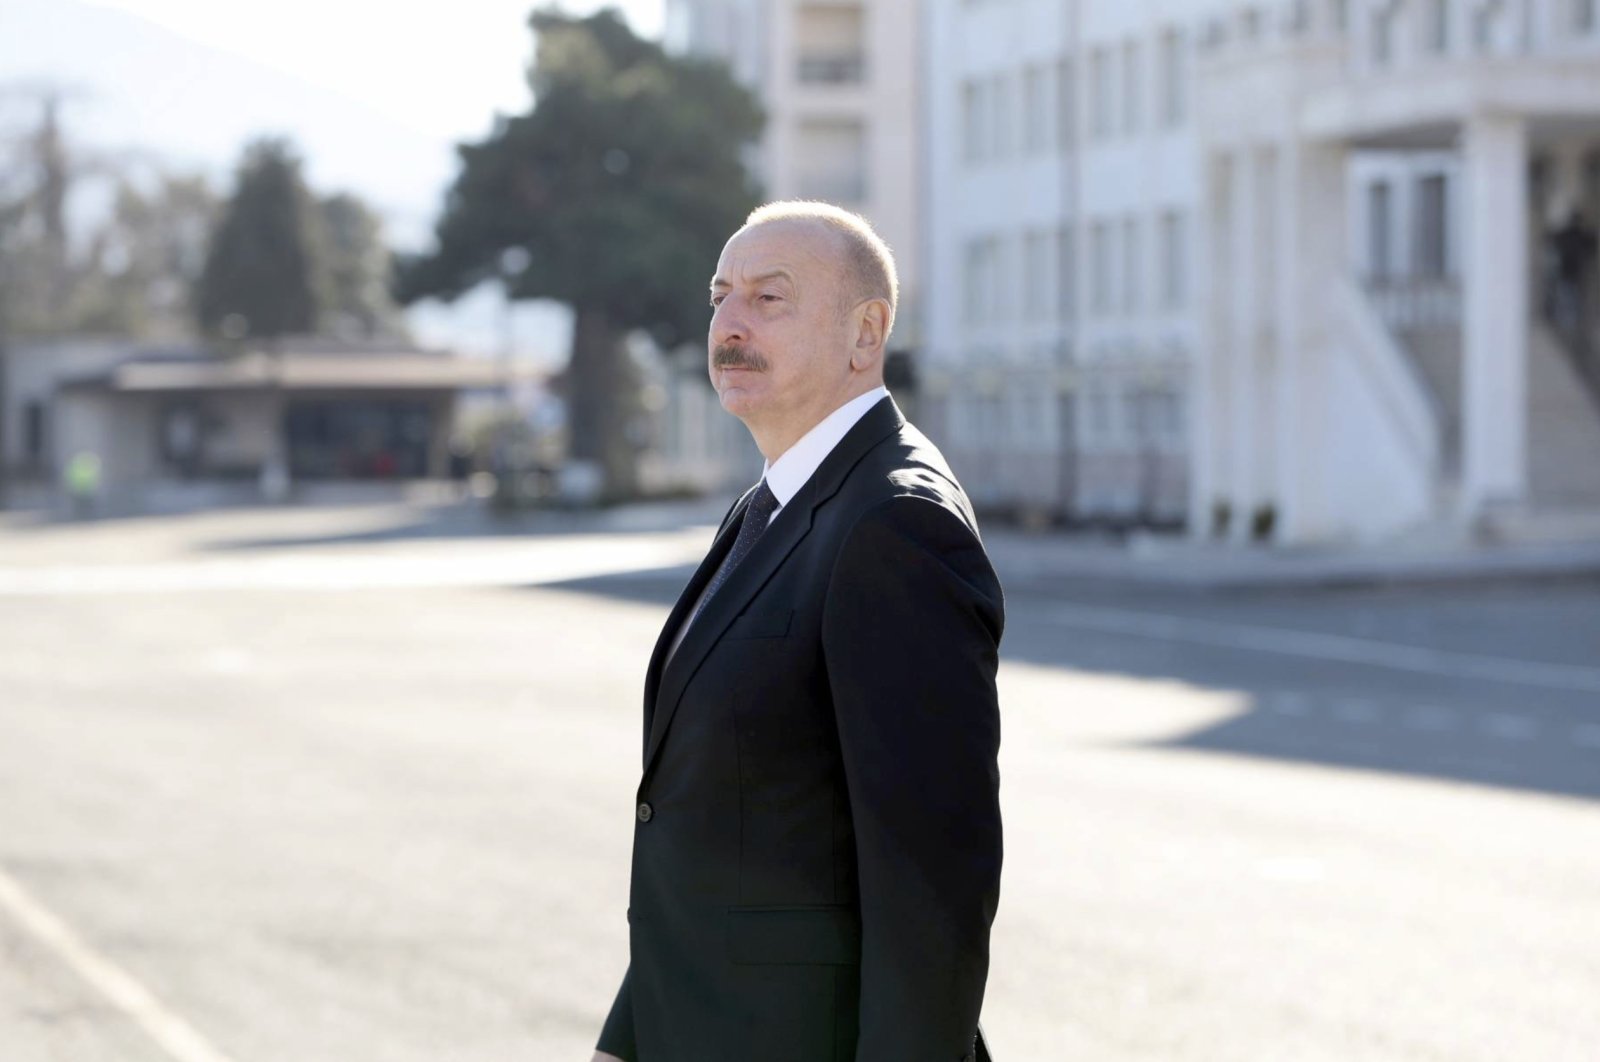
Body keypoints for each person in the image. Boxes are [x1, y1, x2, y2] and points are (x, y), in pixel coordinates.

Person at [592, 201, 1004, 1062]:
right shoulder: (769, 505)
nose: (730, 324)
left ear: (866, 332)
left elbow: (932, 883)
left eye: (769, 299)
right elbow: (720, 833)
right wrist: (625, 1041)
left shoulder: (894, 524)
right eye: (720, 295)